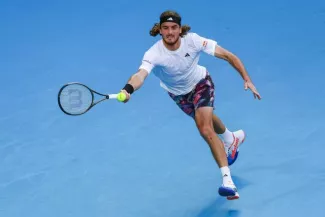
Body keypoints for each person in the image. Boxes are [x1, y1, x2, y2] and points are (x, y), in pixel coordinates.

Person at [119, 10, 261, 200]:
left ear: (180, 29)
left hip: (201, 83)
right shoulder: (153, 54)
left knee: (204, 128)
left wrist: (247, 79)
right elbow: (140, 75)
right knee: (206, 120)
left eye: (174, 28)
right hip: (178, 94)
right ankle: (230, 137)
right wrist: (128, 89)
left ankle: (228, 182)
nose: (170, 32)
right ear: (159, 30)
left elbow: (228, 56)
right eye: (165, 28)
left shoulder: (193, 40)